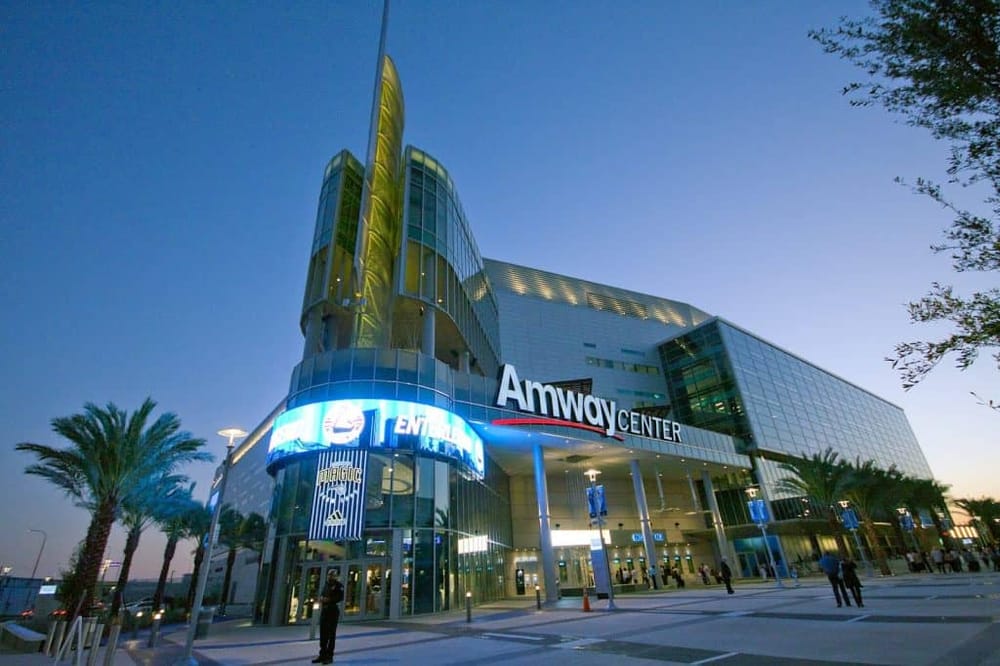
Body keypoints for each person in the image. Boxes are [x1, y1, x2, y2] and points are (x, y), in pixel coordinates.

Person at [313, 570, 344, 664]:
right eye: (329, 575)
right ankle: (322, 654)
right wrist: (321, 599)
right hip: (325, 610)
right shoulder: (326, 585)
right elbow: (322, 594)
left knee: (331, 634)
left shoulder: (339, 586)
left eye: (332, 575)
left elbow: (339, 597)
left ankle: (329, 656)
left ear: (335, 576)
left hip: (333, 611)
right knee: (323, 634)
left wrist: (329, 599)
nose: (330, 577)